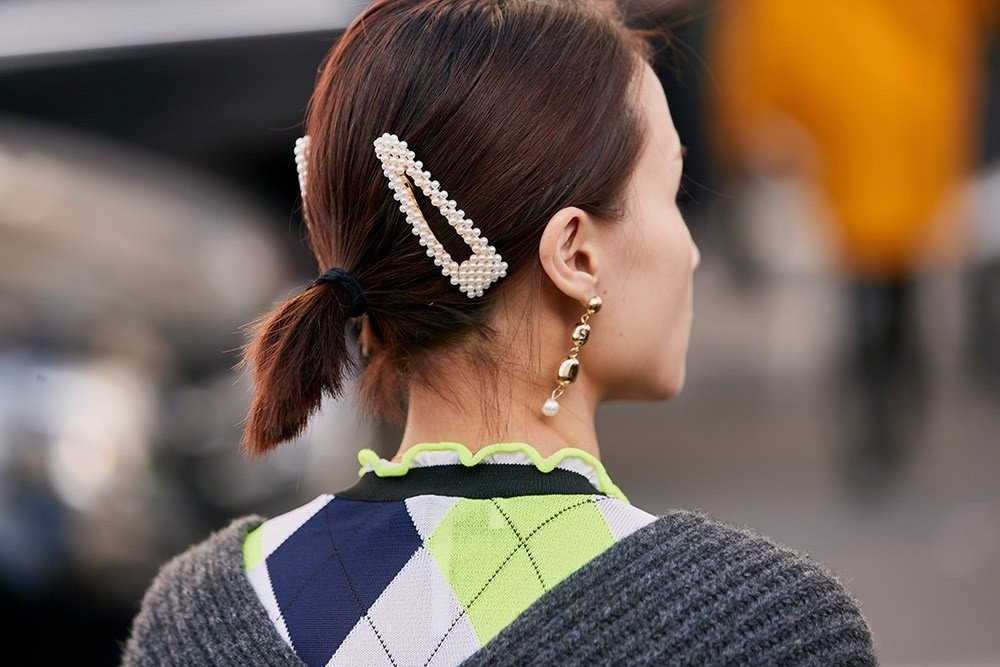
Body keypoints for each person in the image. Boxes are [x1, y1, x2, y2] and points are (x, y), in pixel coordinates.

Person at [122, 1, 877, 664]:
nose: (692, 251)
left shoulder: (193, 622)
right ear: (575, 254)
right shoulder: (761, 630)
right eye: (672, 193)